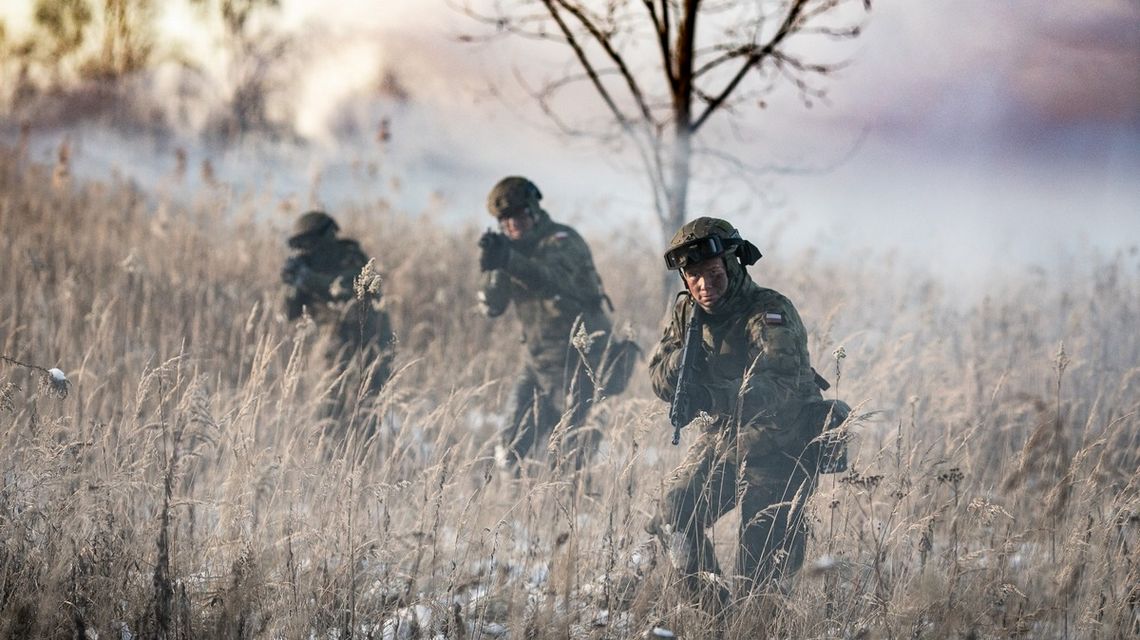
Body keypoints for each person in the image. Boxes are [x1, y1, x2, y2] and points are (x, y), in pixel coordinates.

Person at [646, 216, 831, 608]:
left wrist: (713, 397)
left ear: (732, 265)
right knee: (673, 514)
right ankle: (715, 616)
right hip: (726, 439)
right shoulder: (686, 314)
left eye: (713, 273)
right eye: (692, 275)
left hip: (783, 444)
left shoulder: (769, 311)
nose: (703, 285)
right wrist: (680, 366)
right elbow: (658, 377)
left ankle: (749, 623)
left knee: (761, 582)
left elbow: (778, 389)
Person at [477, 176, 634, 472]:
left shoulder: (562, 240)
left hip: (581, 363)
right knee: (509, 452)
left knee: (571, 460)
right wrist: (493, 266)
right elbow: (492, 306)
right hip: (539, 364)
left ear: (534, 211)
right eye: (505, 220)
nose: (513, 225)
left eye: (519, 216)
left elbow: (553, 281)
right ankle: (518, 514)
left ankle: (575, 515)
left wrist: (509, 259)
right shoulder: (512, 251)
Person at [282, 210, 395, 428]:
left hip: (367, 351)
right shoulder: (307, 266)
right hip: (329, 355)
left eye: (308, 243)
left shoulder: (351, 256)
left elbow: (347, 288)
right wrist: (293, 285)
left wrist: (309, 279)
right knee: (325, 420)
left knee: (364, 421)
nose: (305, 251)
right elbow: (289, 313)